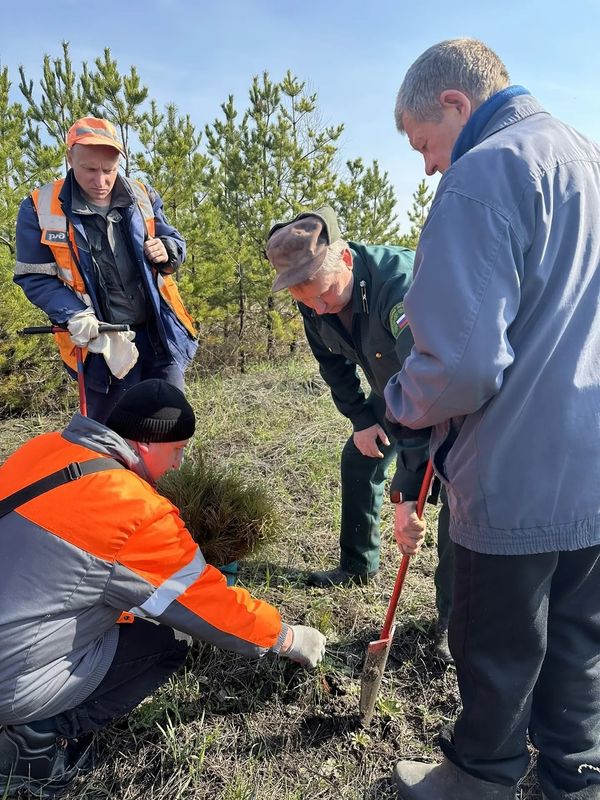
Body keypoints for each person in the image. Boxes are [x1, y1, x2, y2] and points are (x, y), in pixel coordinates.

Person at [384, 38, 600, 800]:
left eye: (424, 143)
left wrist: (400, 406)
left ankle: (480, 776)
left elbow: (462, 365)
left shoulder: (485, 173)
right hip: (593, 468)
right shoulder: (588, 154)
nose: (428, 165)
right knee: (579, 639)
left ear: (455, 104)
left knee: (496, 645)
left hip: (513, 471)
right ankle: (576, 778)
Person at [0, 379, 326, 799]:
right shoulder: (133, 510)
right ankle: (36, 740)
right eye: (178, 451)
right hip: (11, 679)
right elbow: (209, 605)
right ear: (148, 444)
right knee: (168, 639)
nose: (178, 465)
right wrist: (287, 637)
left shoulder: (42, 450)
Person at [265, 207, 452, 656]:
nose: (319, 307)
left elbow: (425, 388)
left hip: (446, 390)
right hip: (392, 387)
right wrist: (362, 419)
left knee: (453, 490)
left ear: (345, 260)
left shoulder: (400, 286)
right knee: (359, 457)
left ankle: (450, 619)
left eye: (325, 293)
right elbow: (333, 365)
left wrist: (408, 493)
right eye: (305, 299)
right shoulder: (312, 299)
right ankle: (357, 565)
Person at [14, 116, 198, 424]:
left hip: (159, 334)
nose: (100, 181)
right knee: (112, 433)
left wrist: (167, 250)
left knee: (168, 426)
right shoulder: (39, 206)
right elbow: (34, 275)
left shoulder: (142, 195)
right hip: (100, 345)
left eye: (109, 171)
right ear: (69, 157)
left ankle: (167, 475)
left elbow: (173, 241)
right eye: (89, 169)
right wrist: (74, 314)